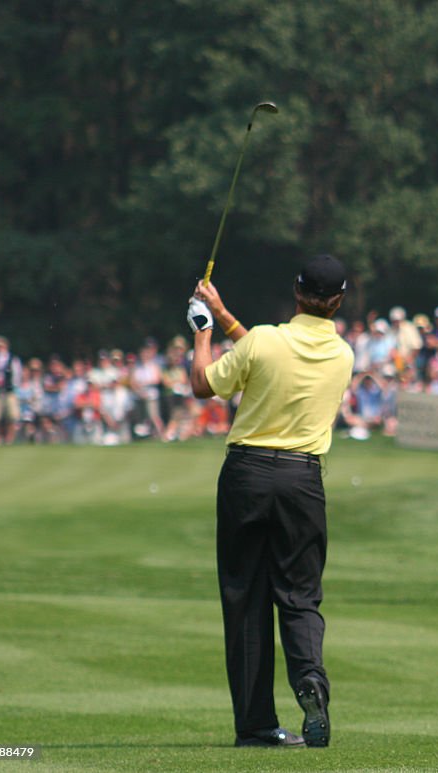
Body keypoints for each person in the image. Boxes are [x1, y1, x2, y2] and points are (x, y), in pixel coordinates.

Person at [187, 254, 354, 749]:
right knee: (300, 598)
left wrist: (202, 330)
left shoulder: (264, 339)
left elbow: (203, 384)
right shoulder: (342, 354)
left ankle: (257, 724)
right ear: (338, 302)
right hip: (302, 481)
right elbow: (269, 354)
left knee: (246, 601)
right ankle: (311, 682)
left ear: (296, 292)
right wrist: (223, 311)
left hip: (247, 475)